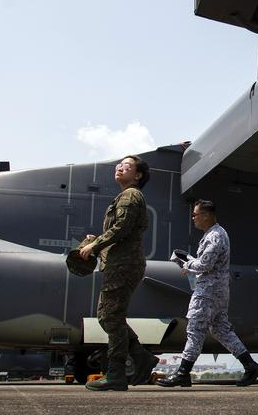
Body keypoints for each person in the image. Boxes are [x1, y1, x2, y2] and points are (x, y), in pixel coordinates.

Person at [157, 200, 258, 388]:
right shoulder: (215, 234)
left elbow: (206, 264)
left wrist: (187, 264)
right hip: (218, 290)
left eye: (195, 215)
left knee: (195, 329)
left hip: (207, 291)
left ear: (206, 215)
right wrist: (193, 263)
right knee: (221, 330)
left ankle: (182, 373)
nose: (193, 218)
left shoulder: (215, 235)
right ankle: (250, 365)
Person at [78, 155, 158, 391]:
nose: (120, 168)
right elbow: (121, 228)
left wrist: (96, 244)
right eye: (119, 165)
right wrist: (97, 240)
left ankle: (117, 373)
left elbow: (122, 227)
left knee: (109, 316)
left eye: (128, 166)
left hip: (124, 264)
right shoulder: (125, 196)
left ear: (138, 175)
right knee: (109, 315)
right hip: (119, 263)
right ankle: (139, 357)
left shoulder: (131, 195)